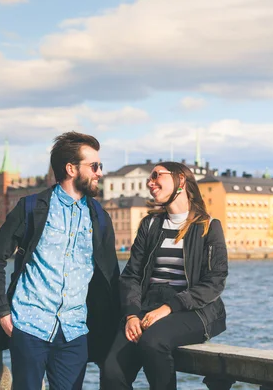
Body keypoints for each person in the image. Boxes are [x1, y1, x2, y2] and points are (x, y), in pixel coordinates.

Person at [0, 131, 120, 389]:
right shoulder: (31, 208)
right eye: (94, 166)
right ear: (71, 168)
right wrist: (1, 312)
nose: (100, 172)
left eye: (100, 166)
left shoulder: (100, 217)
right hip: (29, 326)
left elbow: (111, 275)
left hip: (75, 332)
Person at [102, 162, 228, 390]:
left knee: (154, 341)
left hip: (192, 309)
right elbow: (131, 275)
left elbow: (215, 281)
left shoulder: (209, 227)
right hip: (147, 306)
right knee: (112, 371)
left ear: (180, 180)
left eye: (156, 176)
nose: (150, 183)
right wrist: (131, 315)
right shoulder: (150, 225)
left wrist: (169, 307)